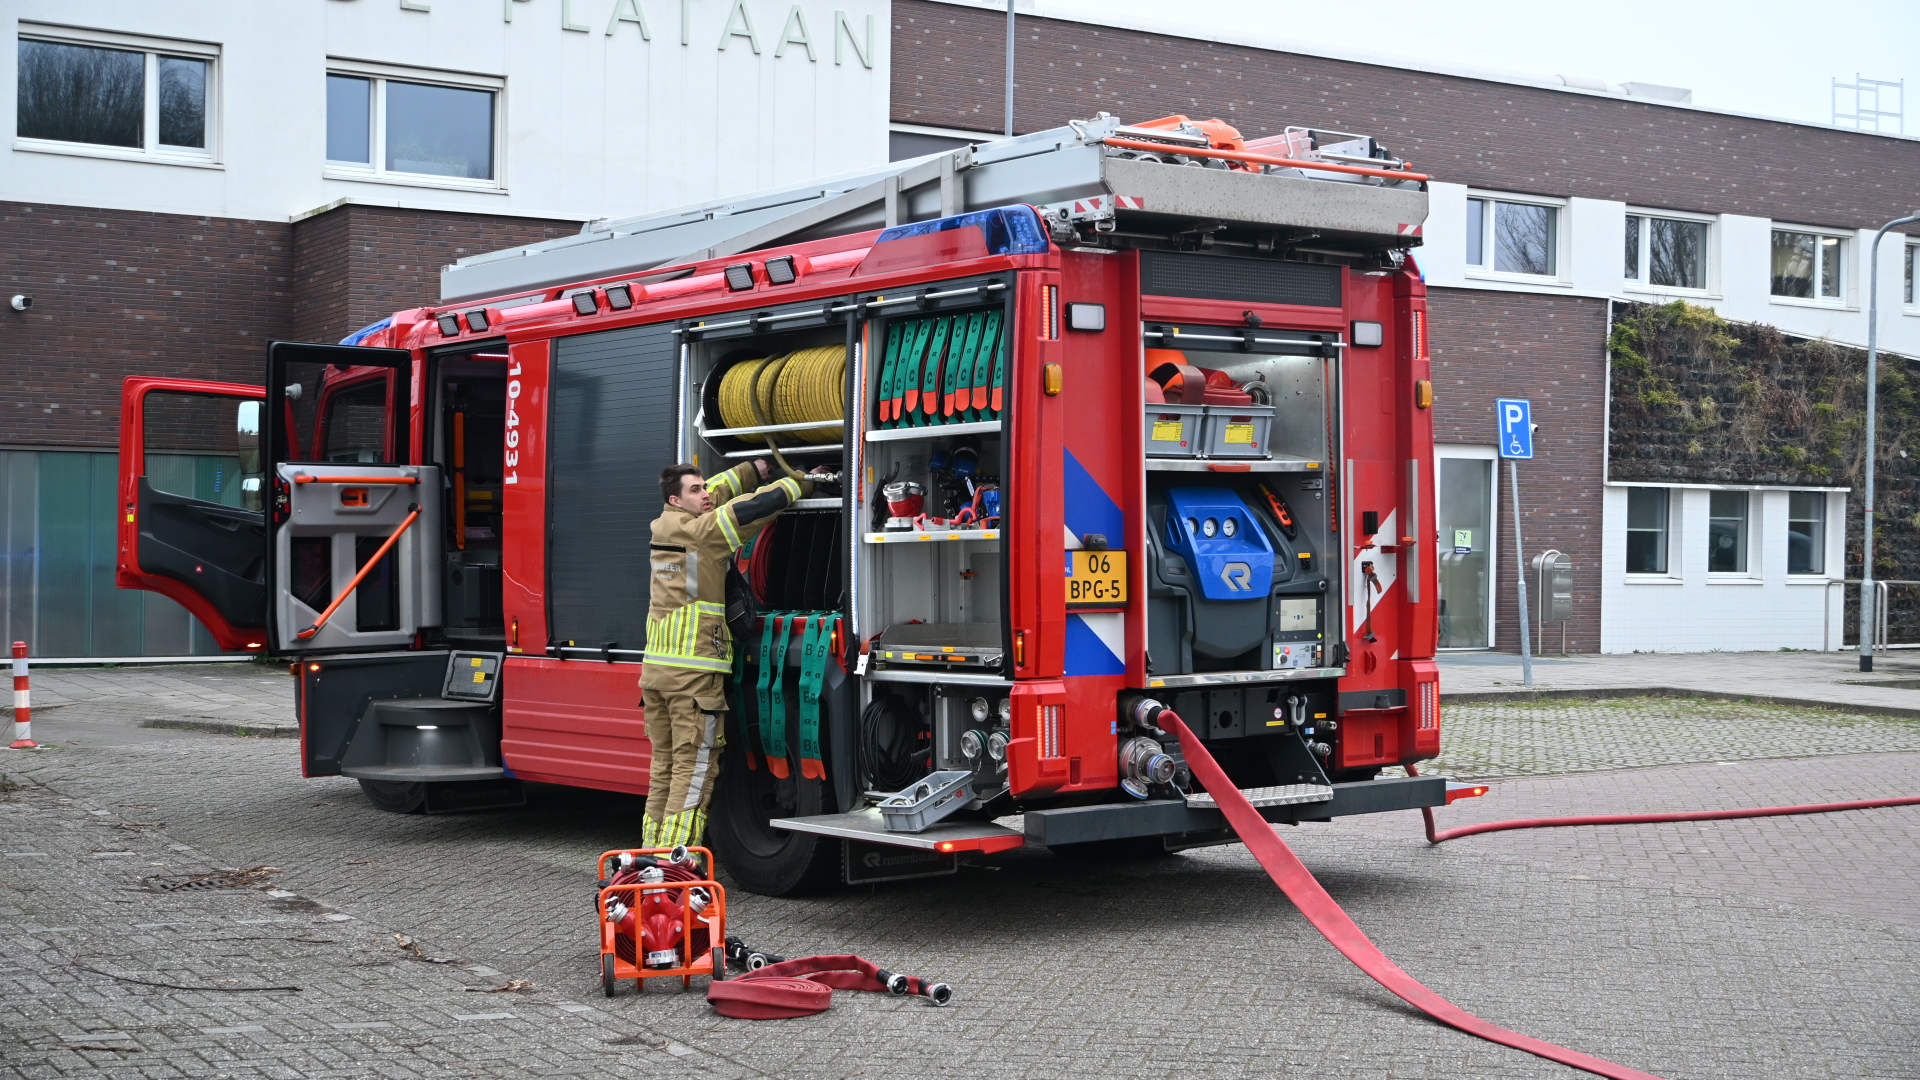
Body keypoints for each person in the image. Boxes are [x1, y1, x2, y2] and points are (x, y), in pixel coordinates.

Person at [640, 457, 825, 847]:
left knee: (665, 771)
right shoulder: (703, 535)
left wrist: (751, 469)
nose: (706, 494)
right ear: (676, 500)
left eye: (705, 486)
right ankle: (677, 862)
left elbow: (717, 494)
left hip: (657, 678)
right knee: (693, 774)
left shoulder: (667, 528)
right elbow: (753, 509)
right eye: (695, 490)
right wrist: (803, 482)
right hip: (693, 682)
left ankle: (648, 860)